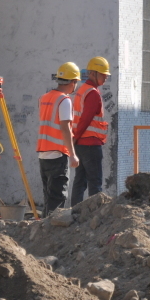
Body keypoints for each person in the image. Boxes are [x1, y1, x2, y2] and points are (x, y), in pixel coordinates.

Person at [37, 62, 81, 214]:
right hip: (57, 155)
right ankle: (51, 232)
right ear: (73, 82)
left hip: (43, 154)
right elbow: (65, 128)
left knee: (49, 198)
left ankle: (44, 228)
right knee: (57, 199)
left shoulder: (44, 98)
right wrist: (73, 155)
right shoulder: (64, 100)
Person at [70, 57, 111, 206]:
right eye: (103, 74)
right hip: (90, 144)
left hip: (81, 144)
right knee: (95, 183)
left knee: (80, 180)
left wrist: (74, 140)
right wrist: (75, 139)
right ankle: (95, 214)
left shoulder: (82, 90)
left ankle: (75, 212)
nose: (106, 77)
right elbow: (85, 120)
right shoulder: (92, 93)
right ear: (93, 73)